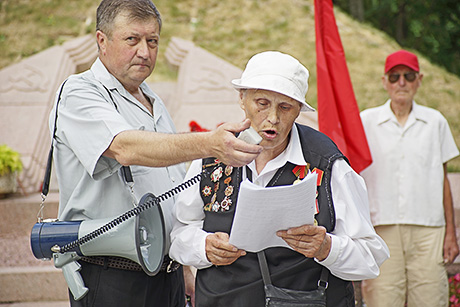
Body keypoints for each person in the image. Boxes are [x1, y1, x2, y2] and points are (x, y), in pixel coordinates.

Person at [49, 0, 263, 306]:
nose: (145, 52)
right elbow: (124, 147)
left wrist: (184, 267)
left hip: (167, 273)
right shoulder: (78, 92)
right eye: (132, 40)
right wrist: (209, 144)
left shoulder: (153, 100)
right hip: (111, 276)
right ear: (101, 40)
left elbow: (168, 188)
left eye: (152, 41)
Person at [169, 51, 390, 306]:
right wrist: (204, 246)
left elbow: (371, 257)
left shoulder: (327, 163)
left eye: (284, 107)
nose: (273, 117)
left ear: (298, 111)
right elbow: (179, 235)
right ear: (242, 99)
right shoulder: (212, 155)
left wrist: (327, 248)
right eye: (262, 103)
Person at [360, 50, 460, 307]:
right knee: (381, 300)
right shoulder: (365, 121)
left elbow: (443, 181)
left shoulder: (435, 121)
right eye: (394, 77)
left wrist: (451, 232)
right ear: (384, 81)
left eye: (408, 76)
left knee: (430, 301)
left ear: (419, 80)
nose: (401, 83)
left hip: (428, 231)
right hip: (380, 229)